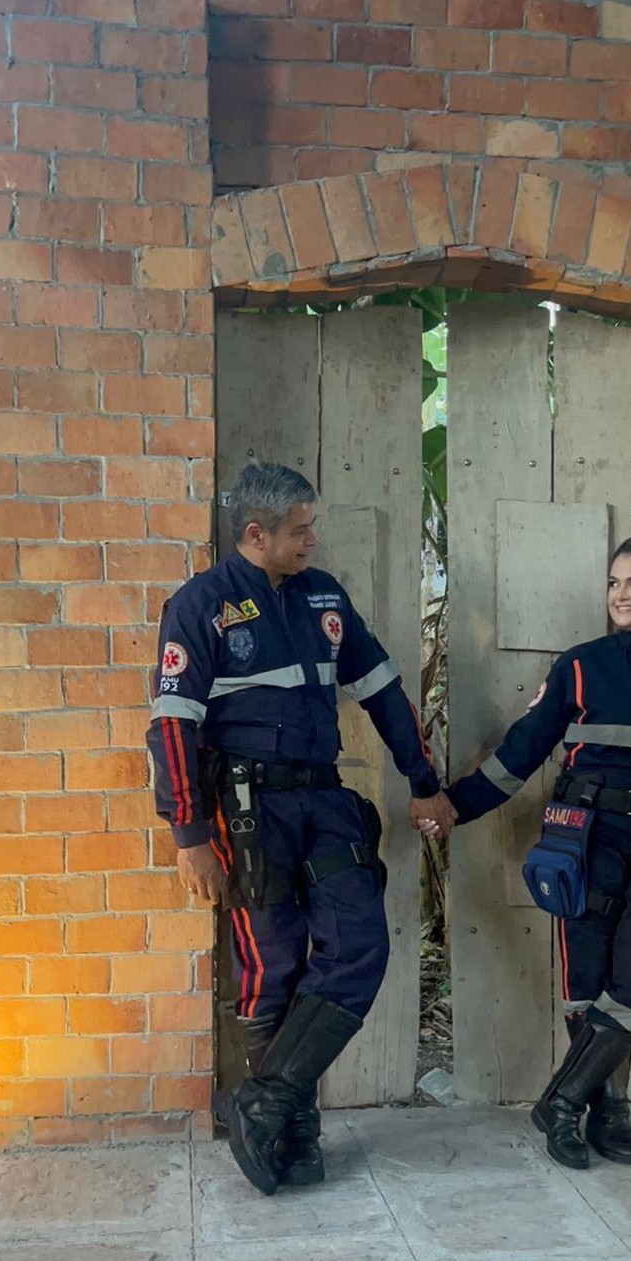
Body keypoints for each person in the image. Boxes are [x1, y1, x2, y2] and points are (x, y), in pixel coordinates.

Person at [147, 462, 457, 1196]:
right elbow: (172, 728)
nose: (313, 539)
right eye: (300, 529)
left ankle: (267, 1099)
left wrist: (423, 780)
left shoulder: (325, 596)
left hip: (324, 802)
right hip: (247, 812)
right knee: (272, 967)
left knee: (362, 946)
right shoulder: (199, 606)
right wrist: (190, 834)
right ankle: (298, 1127)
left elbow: (380, 688)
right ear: (256, 535)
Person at [429, 532, 631, 1171]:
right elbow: (524, 748)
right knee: (587, 981)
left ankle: (562, 1101)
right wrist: (457, 806)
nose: (621, 595)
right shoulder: (581, 664)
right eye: (615, 583)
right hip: (587, 839)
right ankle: (607, 1112)